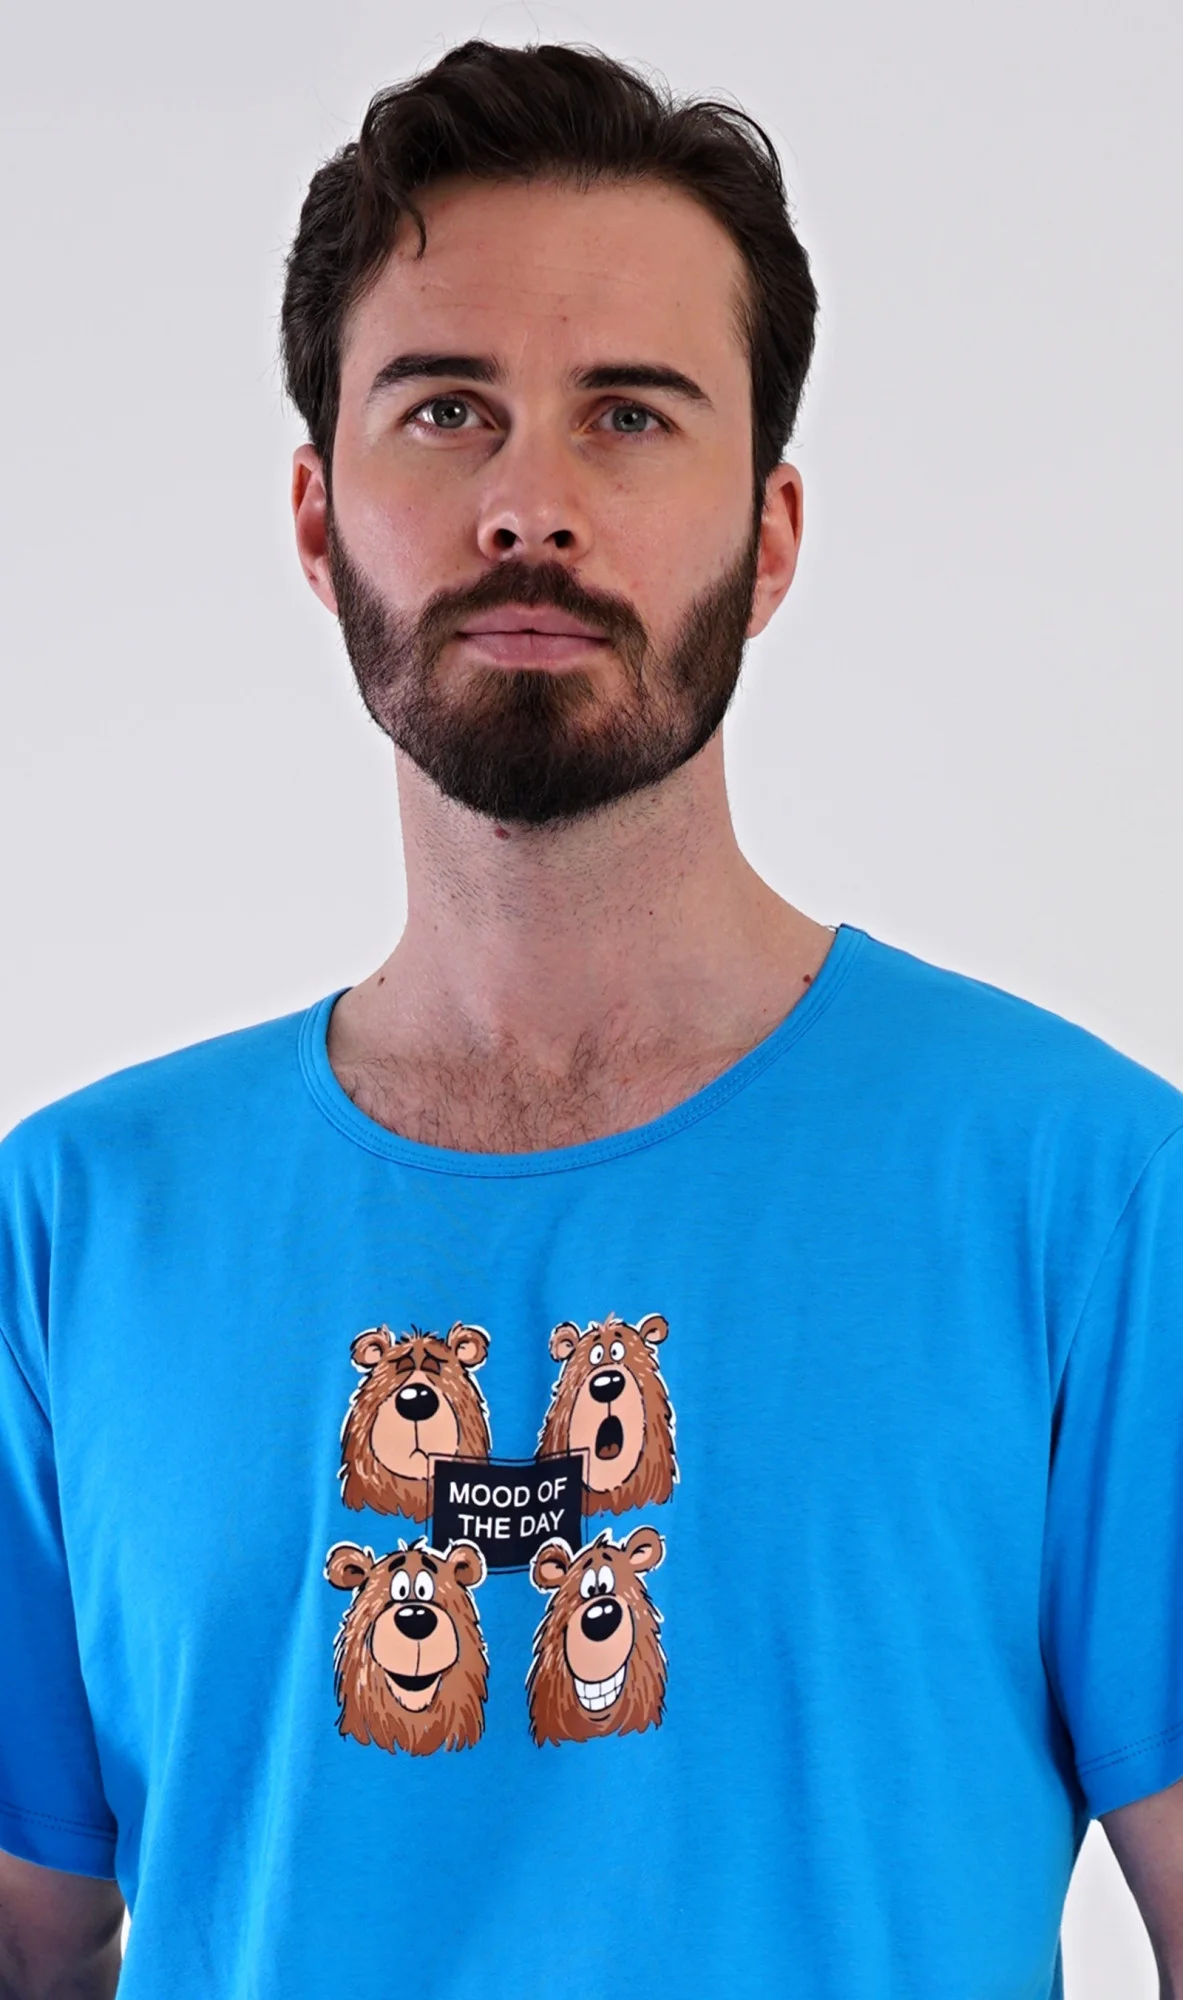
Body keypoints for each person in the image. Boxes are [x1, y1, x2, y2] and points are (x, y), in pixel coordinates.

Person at [0, 38, 1180, 2000]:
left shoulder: (1095, 1198)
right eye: (446, 408)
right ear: (315, 516)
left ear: (770, 535)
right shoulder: (67, 1235)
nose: (529, 505)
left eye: (628, 415)